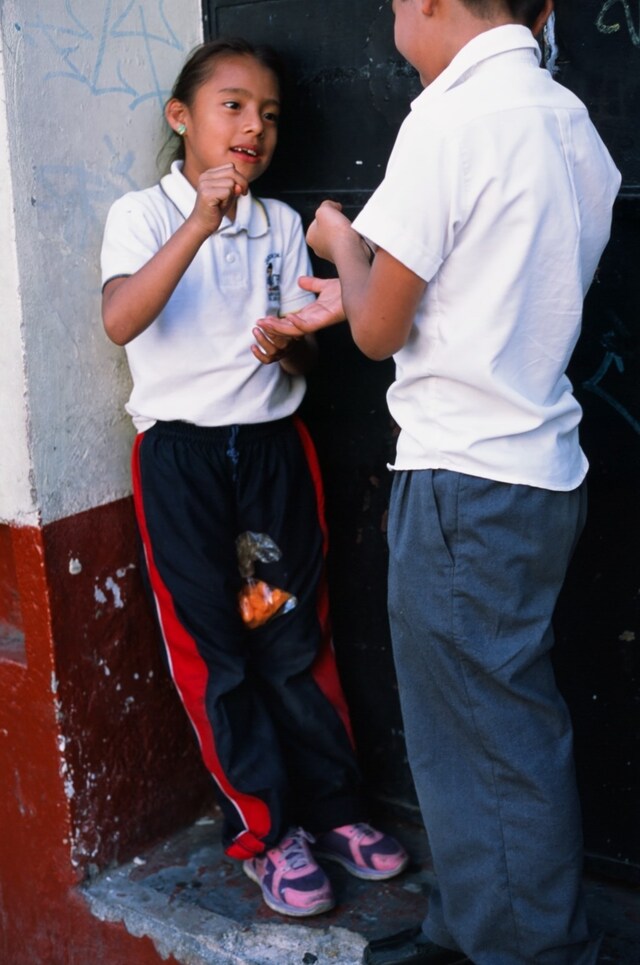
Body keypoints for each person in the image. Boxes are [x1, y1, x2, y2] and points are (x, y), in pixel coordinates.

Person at [258, 1, 621, 961]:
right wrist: (359, 292)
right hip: (533, 469)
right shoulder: (560, 114)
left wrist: (339, 238)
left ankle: (531, 949)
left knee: (491, 741)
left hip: (466, 480)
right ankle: (472, 927)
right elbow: (492, 282)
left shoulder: (448, 116)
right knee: (481, 731)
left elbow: (382, 331)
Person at [100, 37, 408, 920]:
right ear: (180, 120)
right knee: (216, 653)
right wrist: (199, 221)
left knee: (291, 639)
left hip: (271, 450)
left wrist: (293, 344)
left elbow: (293, 350)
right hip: (184, 461)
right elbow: (121, 318)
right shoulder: (143, 214)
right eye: (232, 106)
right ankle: (269, 833)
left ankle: (337, 810)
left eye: (268, 113)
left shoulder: (277, 223)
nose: (254, 127)